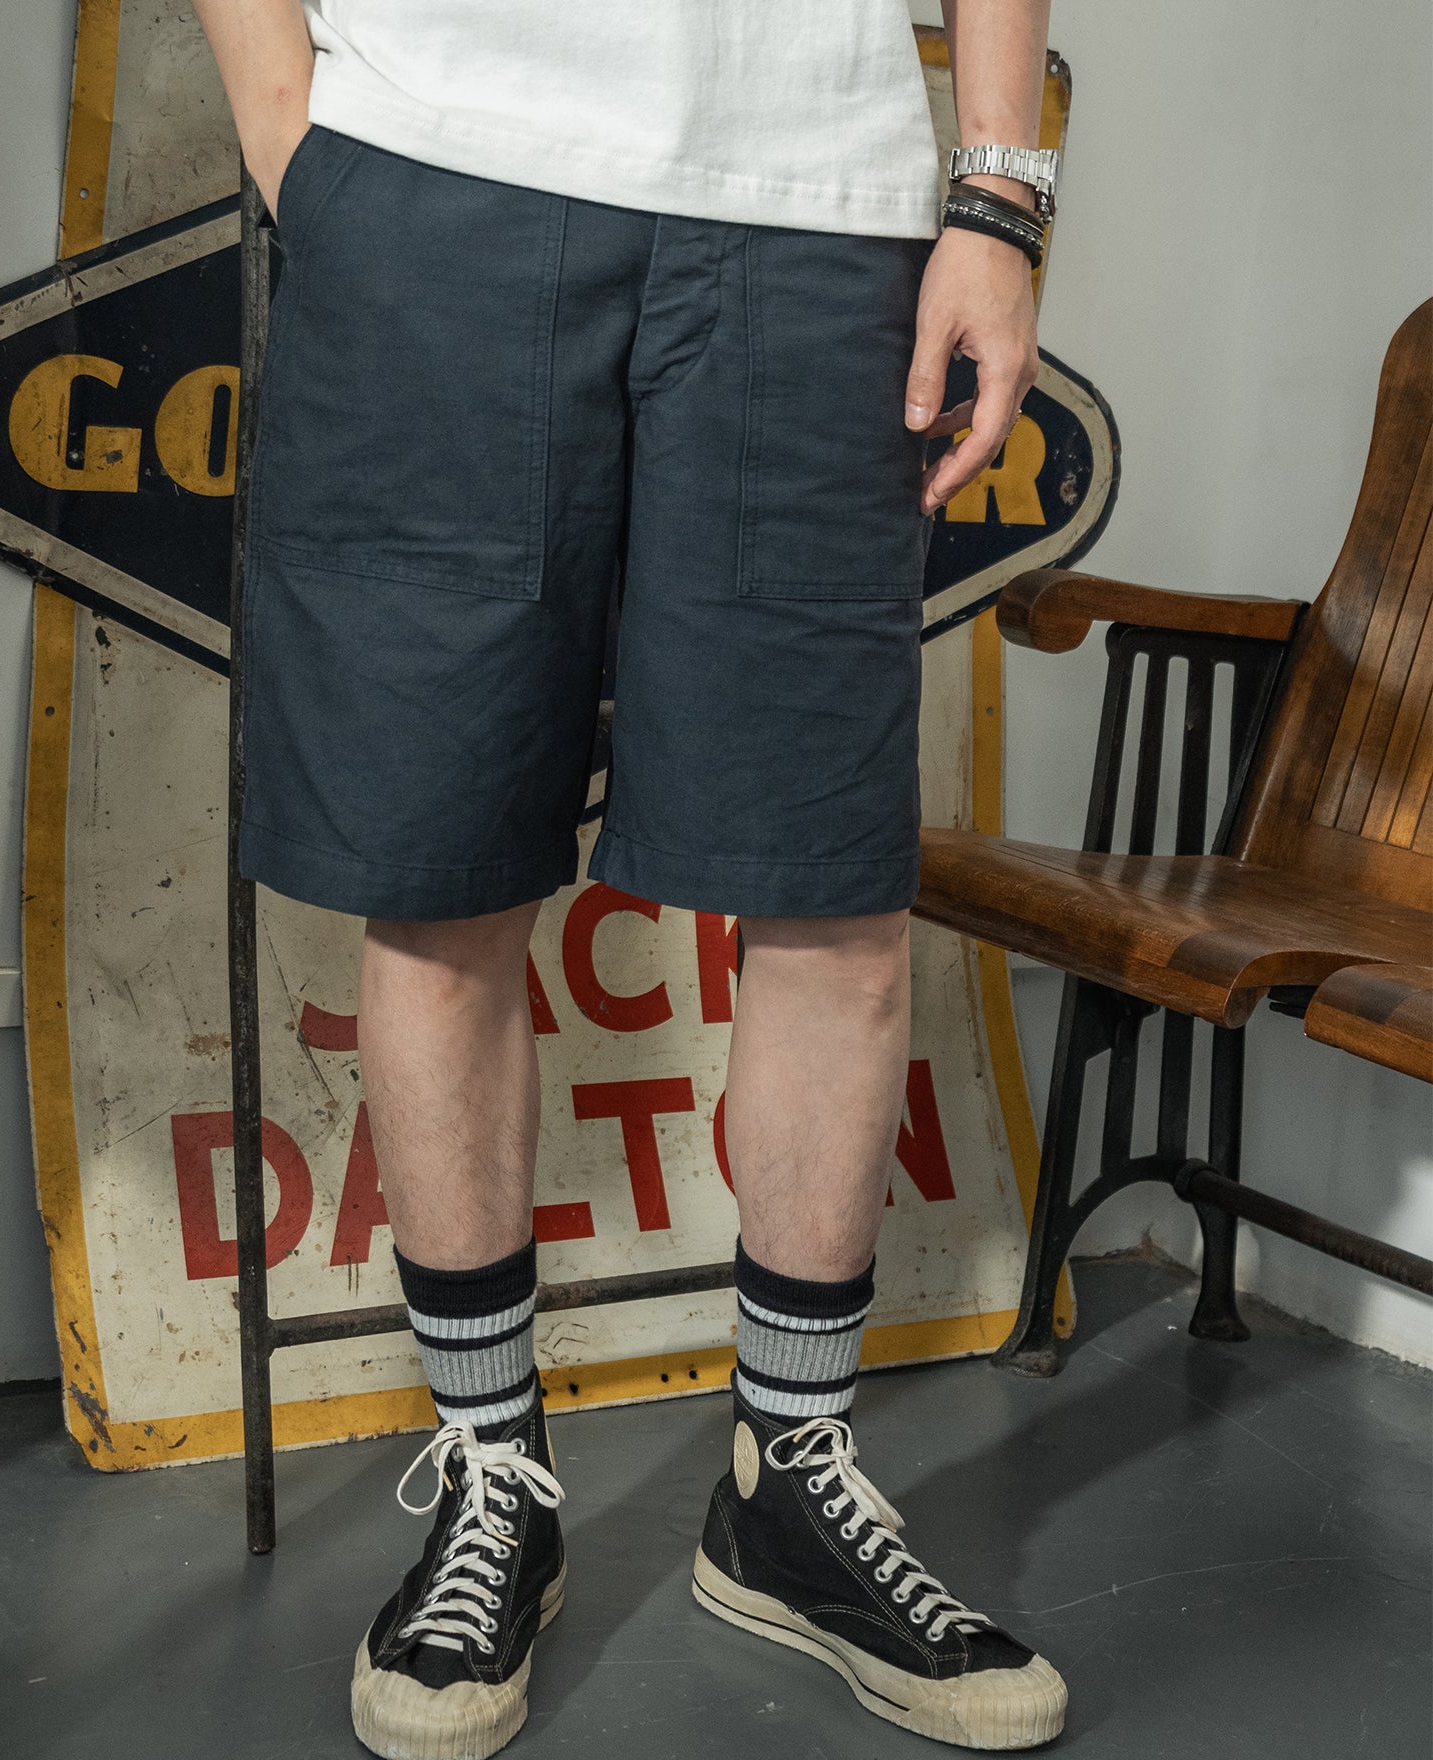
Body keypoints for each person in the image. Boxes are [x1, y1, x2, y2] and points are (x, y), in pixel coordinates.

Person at [193, 1, 1065, 1753]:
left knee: (830, 890)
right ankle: (491, 1480)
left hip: (818, 209)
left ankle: (787, 1485)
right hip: (438, 181)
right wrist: (298, 138)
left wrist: (1000, 200)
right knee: (441, 879)